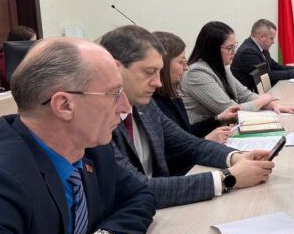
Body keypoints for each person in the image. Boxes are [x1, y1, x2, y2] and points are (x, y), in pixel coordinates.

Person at [0, 37, 155, 234]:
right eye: (114, 94)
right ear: (64, 105)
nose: (125, 106)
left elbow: (140, 195)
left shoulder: (91, 148)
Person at [101, 25, 275, 209]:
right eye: (149, 72)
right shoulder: (99, 121)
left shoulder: (146, 106)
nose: (158, 82)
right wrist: (228, 178)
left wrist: (236, 157)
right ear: (116, 68)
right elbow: (138, 187)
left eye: (159, 72)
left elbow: (191, 145)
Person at [180, 21, 294, 128]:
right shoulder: (196, 73)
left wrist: (273, 104)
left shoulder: (221, 67)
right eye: (229, 48)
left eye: (234, 46)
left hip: (224, 130)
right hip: (203, 136)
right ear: (213, 49)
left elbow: (244, 95)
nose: (234, 52)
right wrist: (263, 100)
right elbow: (230, 111)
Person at [152, 31, 238, 147]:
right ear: (164, 65)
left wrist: (218, 119)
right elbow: (171, 150)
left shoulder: (172, 95)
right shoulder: (152, 104)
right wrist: (206, 140)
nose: (186, 68)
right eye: (181, 62)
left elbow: (186, 132)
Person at [231, 19, 294, 91]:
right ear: (262, 36)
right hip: (247, 98)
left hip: (261, 93)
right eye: (271, 38)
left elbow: (276, 66)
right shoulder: (248, 52)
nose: (273, 42)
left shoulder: (261, 48)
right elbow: (265, 77)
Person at [0, 25, 37, 89]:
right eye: (31, 42)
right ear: (20, 42)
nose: (34, 45)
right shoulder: (2, 57)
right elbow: (10, 78)